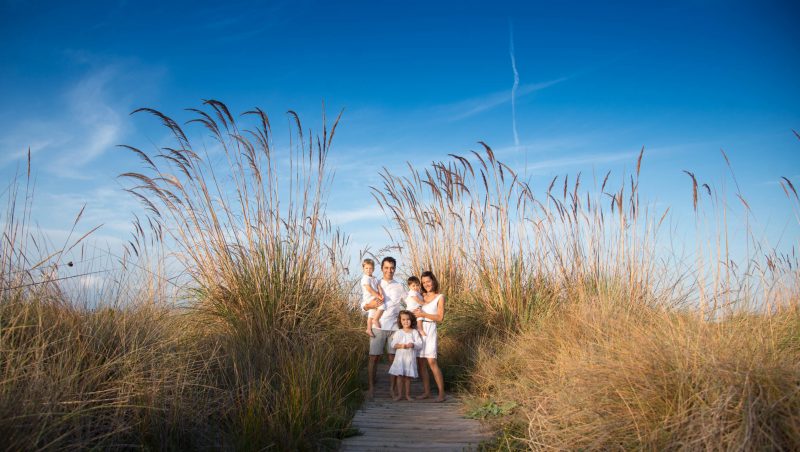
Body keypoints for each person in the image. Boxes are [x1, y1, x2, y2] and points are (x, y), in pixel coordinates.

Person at [361, 256, 406, 400]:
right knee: (374, 358)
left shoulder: (399, 286)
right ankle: (371, 388)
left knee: (393, 359)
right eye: (386, 268)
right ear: (381, 269)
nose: (389, 270)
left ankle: (392, 390)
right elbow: (364, 304)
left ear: (395, 269)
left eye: (392, 268)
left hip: (394, 328)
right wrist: (369, 306)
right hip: (377, 326)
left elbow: (409, 301)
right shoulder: (374, 282)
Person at [413, 270, 446, 402]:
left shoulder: (440, 297)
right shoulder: (420, 296)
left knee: (431, 361)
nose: (427, 284)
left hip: (430, 329)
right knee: (420, 362)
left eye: (428, 281)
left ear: (433, 281)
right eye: (424, 282)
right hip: (419, 329)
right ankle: (426, 392)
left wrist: (423, 315)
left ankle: (441, 394)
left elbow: (440, 317)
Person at [388, 310, 424, 401]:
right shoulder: (398, 332)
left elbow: (419, 344)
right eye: (403, 319)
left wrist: (413, 345)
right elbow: (393, 344)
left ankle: (407, 395)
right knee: (400, 376)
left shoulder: (414, 332)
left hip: (409, 358)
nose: (406, 321)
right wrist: (400, 345)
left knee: (408, 377)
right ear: (400, 321)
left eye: (408, 319)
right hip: (400, 358)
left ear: (411, 320)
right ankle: (400, 395)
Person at [361, 259, 385, 337]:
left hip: (374, 297)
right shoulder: (365, 278)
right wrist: (377, 296)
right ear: (363, 269)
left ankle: (368, 329)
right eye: (366, 268)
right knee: (382, 306)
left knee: (371, 314)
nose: (368, 270)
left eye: (370, 268)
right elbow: (369, 289)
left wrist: (381, 293)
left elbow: (378, 286)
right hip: (369, 298)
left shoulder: (374, 278)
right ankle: (375, 320)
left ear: (373, 269)